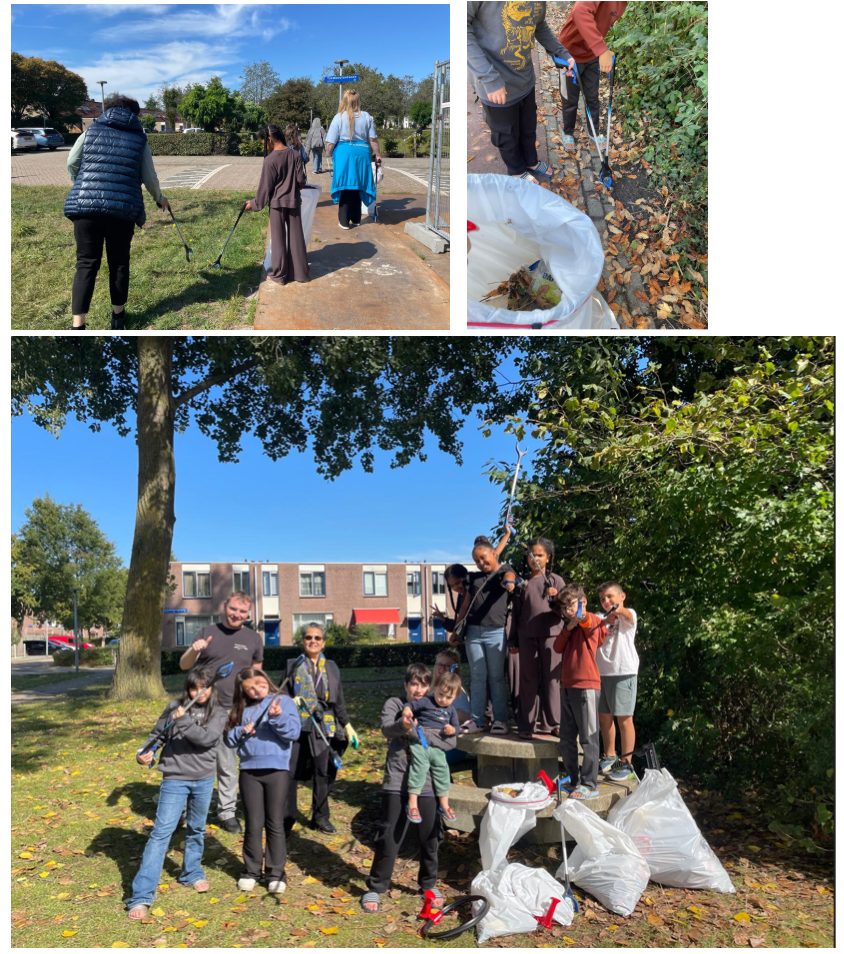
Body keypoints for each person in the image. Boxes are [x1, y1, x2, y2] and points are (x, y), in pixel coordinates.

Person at [126, 668, 227, 919]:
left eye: (204, 687)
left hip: (204, 779)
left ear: (211, 688)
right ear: (187, 688)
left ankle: (191, 873)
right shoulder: (174, 707)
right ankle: (142, 895)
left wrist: (183, 721)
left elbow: (206, 739)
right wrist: (144, 754)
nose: (199, 693)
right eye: (194, 688)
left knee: (197, 828)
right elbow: (157, 737)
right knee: (161, 832)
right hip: (175, 778)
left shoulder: (219, 712)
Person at [64, 96, 169, 330]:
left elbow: (72, 162)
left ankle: (78, 326)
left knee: (86, 263)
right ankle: (118, 317)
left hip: (85, 208)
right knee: (119, 263)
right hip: (122, 210)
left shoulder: (91, 131)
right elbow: (149, 177)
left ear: (108, 111)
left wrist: (81, 185)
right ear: (135, 115)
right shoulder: (139, 139)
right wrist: (160, 199)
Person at [361, 664, 444, 914]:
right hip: (397, 781)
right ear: (406, 685)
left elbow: (445, 738)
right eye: (414, 684)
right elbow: (387, 729)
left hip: (426, 782)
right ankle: (376, 886)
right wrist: (404, 725)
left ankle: (428, 884)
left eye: (424, 685)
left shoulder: (433, 708)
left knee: (430, 837)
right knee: (390, 837)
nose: (418, 689)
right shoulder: (395, 704)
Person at [178, 591, 264, 833]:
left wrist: (259, 703)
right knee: (194, 761)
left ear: (248, 614)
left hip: (235, 709)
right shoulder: (208, 632)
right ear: (225, 606)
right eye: (233, 609)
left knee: (227, 763)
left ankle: (227, 812)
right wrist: (194, 649)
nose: (237, 614)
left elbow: (256, 675)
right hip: (204, 708)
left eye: (242, 611)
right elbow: (184, 664)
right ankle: (183, 811)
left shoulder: (253, 638)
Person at [467, 2, 571, 184]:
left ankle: (531, 161)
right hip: (494, 82)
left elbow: (539, 24)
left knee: (528, 126)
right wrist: (489, 78)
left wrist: (562, 53)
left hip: (524, 78)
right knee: (506, 134)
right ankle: (516, 170)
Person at [225, 667, 301, 893]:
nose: (256, 690)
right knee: (253, 823)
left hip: (277, 770)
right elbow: (229, 739)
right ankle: (251, 871)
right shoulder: (241, 708)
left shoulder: (283, 701)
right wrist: (241, 731)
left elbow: (293, 733)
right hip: (249, 771)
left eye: (259, 683)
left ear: (266, 679)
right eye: (250, 688)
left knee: (275, 822)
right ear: (243, 692)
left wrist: (277, 718)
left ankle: (276, 873)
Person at [283, 623, 359, 835]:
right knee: (291, 772)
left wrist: (348, 726)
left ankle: (320, 817)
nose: (313, 641)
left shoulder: (332, 667)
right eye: (309, 637)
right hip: (299, 722)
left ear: (323, 642)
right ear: (303, 641)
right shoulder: (293, 664)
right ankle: (287, 818)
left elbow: (339, 701)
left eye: (317, 638)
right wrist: (290, 700)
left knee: (323, 771)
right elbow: (281, 694)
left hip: (324, 723)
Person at [450, 536, 517, 735]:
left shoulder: (504, 571)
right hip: (473, 633)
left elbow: (510, 576)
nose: (480, 563)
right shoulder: (473, 578)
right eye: (476, 560)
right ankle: (477, 720)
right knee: (478, 677)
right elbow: (465, 605)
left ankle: (500, 720)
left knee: (496, 677)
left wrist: (509, 583)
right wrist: (456, 630)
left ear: (494, 553)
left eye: (483, 558)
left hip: (496, 632)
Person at [553, 583, 609, 799]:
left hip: (587, 686)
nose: (567, 610)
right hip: (567, 686)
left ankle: (589, 784)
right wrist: (569, 626)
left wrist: (580, 615)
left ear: (583, 602)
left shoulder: (592, 619)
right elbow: (557, 647)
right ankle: (573, 780)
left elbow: (588, 622)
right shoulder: (569, 628)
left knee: (589, 737)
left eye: (571, 604)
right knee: (566, 739)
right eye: (564, 607)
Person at [508, 536, 566, 739]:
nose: (535, 559)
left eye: (540, 555)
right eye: (531, 555)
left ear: (548, 557)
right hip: (526, 637)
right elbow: (515, 614)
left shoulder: (556, 580)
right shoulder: (522, 583)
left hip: (552, 635)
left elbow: (565, 611)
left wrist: (556, 597)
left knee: (551, 679)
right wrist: (513, 640)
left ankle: (554, 723)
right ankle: (526, 724)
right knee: (527, 680)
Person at [557, 1, 628, 152]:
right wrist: (602, 50)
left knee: (592, 96)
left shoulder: (623, 3)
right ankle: (568, 131)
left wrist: (602, 51)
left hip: (591, 54)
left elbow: (599, 23)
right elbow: (580, 10)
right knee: (570, 98)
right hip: (569, 55)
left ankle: (593, 131)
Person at [245, 123, 310, 286]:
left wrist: (253, 204)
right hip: (294, 202)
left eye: (264, 144)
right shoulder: (295, 155)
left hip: (276, 205)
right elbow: (301, 180)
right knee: (296, 237)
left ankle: (280, 276)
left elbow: (265, 187)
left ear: (269, 139)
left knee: (278, 239)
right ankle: (301, 274)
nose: (265, 147)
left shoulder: (269, 160)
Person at [403, 670, 461, 823]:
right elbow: (410, 705)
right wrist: (407, 710)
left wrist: (452, 730)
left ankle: (444, 804)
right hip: (421, 741)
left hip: (438, 744)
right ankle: (412, 803)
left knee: (442, 770)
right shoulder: (426, 701)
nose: (443, 699)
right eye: (440, 694)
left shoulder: (451, 710)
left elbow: (457, 727)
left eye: (449, 697)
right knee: (419, 768)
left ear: (455, 697)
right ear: (434, 688)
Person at [595, 580, 638, 780]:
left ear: (622, 596)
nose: (606, 601)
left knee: (624, 719)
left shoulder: (630, 614)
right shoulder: (598, 617)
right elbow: (591, 626)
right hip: (601, 673)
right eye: (602, 598)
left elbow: (627, 615)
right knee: (604, 717)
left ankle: (626, 763)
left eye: (610, 596)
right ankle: (609, 756)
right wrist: (605, 621)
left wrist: (619, 611)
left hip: (623, 672)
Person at [324, 89, 382, 230]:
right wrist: (378, 155)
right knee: (358, 185)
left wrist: (330, 154)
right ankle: (356, 219)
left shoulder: (338, 117)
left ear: (344, 101)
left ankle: (344, 221)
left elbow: (330, 143)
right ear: (358, 101)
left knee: (345, 185)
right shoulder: (367, 116)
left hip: (343, 154)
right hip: (362, 153)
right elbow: (373, 140)